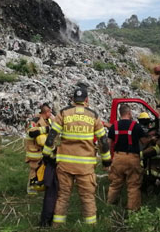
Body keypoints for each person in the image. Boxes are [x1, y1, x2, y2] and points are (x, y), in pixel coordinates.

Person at [42, 87, 111, 226]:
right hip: (85, 167)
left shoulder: (63, 113)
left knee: (63, 197)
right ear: (86, 100)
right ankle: (91, 226)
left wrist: (46, 154)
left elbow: (51, 136)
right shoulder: (93, 116)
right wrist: (106, 161)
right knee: (87, 198)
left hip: (65, 165)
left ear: (73, 100)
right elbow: (103, 141)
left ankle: (57, 226)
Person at [107, 104, 150, 211]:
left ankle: (109, 206)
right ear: (129, 113)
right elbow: (144, 141)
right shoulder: (135, 126)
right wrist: (152, 139)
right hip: (132, 158)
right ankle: (133, 210)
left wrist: (110, 156)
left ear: (120, 113)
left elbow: (108, 143)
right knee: (133, 186)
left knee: (115, 183)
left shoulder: (114, 126)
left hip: (118, 158)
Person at [25, 103, 54, 195]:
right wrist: (45, 129)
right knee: (34, 168)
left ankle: (40, 185)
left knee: (43, 167)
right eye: (50, 111)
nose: (51, 113)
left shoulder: (48, 120)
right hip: (34, 150)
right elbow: (31, 132)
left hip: (43, 149)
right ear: (47, 112)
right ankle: (31, 188)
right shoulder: (35, 120)